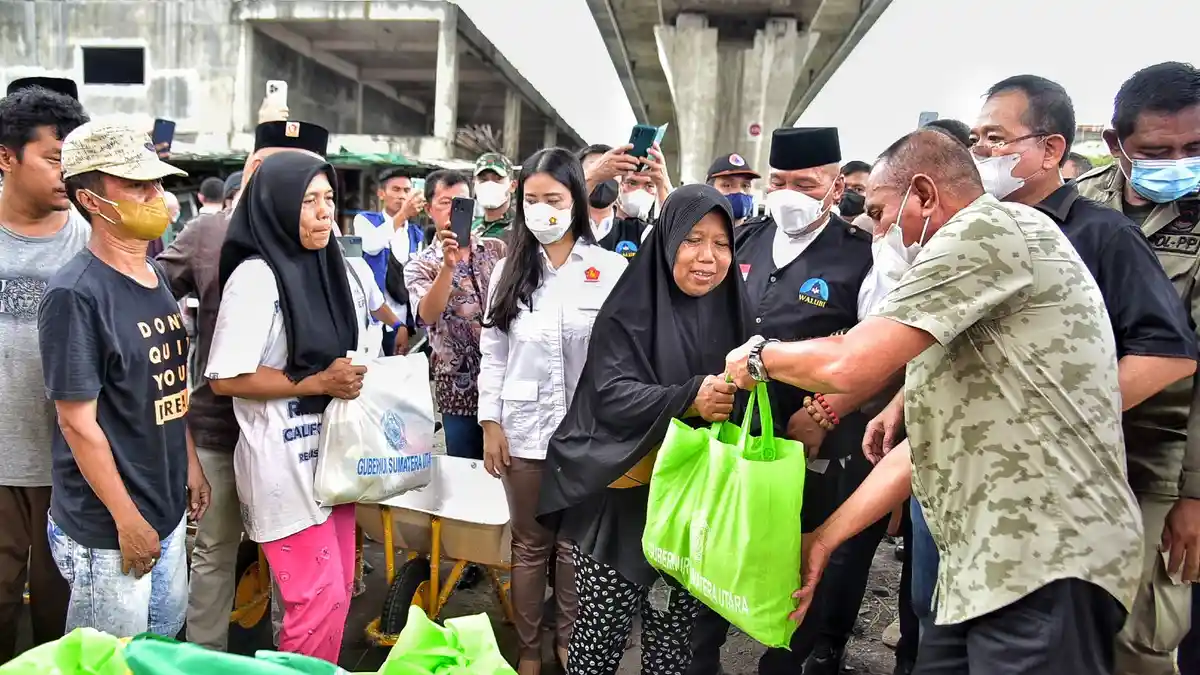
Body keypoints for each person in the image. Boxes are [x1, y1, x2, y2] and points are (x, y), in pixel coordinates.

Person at [729, 128, 1144, 673]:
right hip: (973, 564)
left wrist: (759, 357)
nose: (876, 233)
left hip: (1042, 559)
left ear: (923, 195)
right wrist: (824, 539)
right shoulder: (954, 295)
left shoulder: (989, 231)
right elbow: (926, 445)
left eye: (879, 213)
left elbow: (849, 362)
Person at [689, 127, 910, 675]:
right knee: (718, 542)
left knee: (806, 553)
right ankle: (701, 656)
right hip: (735, 430)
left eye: (806, 184)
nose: (789, 194)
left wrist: (824, 411)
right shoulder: (743, 239)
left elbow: (883, 353)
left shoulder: (864, 257)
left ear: (836, 186)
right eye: (780, 182)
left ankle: (790, 659)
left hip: (816, 438)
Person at [539, 184, 746, 675]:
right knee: (600, 635)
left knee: (673, 639)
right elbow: (610, 394)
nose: (707, 257)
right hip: (623, 496)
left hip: (691, 503)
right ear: (669, 239)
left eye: (721, 244)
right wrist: (691, 396)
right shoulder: (628, 308)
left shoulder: (734, 309)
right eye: (693, 239)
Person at [157, 119, 330, 651]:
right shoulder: (208, 232)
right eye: (269, 161)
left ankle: (286, 656)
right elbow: (151, 287)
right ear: (253, 166)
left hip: (294, 431)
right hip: (217, 424)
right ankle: (205, 656)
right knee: (214, 548)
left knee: (292, 559)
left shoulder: (320, 239)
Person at [38, 120, 209, 638]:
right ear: (91, 200)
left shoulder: (154, 275)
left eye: (156, 183)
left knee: (160, 642)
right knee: (111, 660)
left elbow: (168, 384)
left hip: (165, 507)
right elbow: (77, 425)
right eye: (136, 185)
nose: (155, 195)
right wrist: (127, 520)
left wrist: (191, 464)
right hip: (108, 526)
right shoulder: (76, 295)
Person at [206, 152, 369, 663]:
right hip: (281, 462)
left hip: (332, 460)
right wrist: (317, 381)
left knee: (338, 591)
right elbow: (227, 378)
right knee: (313, 600)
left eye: (329, 200)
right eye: (308, 201)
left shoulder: (329, 269)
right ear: (276, 207)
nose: (325, 213)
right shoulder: (255, 278)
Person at [478, 147, 627, 675]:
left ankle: (568, 644)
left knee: (572, 548)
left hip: (586, 438)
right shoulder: (507, 271)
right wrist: (490, 422)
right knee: (530, 546)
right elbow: (493, 353)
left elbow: (620, 357)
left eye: (554, 199)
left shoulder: (609, 270)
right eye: (531, 199)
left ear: (577, 202)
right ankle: (528, 647)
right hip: (523, 433)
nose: (542, 209)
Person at [1075, 61, 1200, 674]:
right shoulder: (1077, 206)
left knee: (1142, 638)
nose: (1179, 161)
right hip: (1065, 451)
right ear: (1116, 145)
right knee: (1064, 621)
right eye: (1158, 149)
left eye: (1196, 148)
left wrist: (1194, 497)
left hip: (1157, 460)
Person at [0, 80, 87, 661]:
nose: (66, 175)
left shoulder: (94, 242)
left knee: (63, 611)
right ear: (6, 157)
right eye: (54, 159)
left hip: (71, 466)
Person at [405, 170, 506, 460]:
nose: (453, 212)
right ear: (428, 209)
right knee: (465, 470)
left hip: (501, 381)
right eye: (445, 203)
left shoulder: (496, 250)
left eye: (461, 204)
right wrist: (447, 268)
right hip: (457, 388)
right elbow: (425, 315)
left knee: (503, 468)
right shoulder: (421, 264)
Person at [354, 167, 424, 356]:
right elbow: (371, 246)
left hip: (403, 322)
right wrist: (402, 215)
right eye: (396, 189)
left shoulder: (416, 234)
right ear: (381, 193)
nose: (402, 195)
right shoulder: (365, 221)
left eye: (407, 191)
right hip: (373, 320)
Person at [580, 143, 672, 257]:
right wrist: (590, 178)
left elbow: (674, 243)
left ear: (620, 180)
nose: (602, 177)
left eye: (610, 170)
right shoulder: (564, 225)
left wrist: (663, 185)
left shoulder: (639, 232)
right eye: (596, 168)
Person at [704, 152, 760, 226]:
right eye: (727, 185)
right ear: (709, 190)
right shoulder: (691, 232)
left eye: (745, 186)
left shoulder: (758, 234)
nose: (740, 192)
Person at [473, 152, 516, 240]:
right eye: (483, 179)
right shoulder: (470, 228)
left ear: (512, 186)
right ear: (474, 184)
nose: (489, 184)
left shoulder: (520, 229)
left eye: (498, 179)